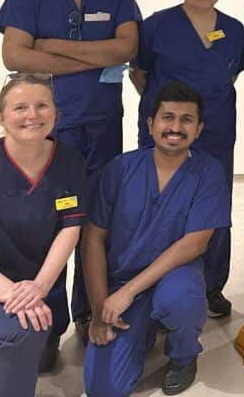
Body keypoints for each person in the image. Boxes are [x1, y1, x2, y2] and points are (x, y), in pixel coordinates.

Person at [0, 0, 141, 360]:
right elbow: (14, 56)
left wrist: (52, 47)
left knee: (96, 222)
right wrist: (96, 55)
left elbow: (127, 48)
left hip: (101, 125)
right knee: (48, 226)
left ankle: (89, 309)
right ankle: (46, 327)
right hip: (46, 130)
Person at [83, 81, 230, 397]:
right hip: (121, 280)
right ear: (150, 125)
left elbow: (195, 243)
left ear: (199, 129)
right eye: (167, 117)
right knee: (103, 389)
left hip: (174, 277)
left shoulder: (208, 172)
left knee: (182, 300)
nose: (175, 127)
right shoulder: (120, 169)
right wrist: (99, 309)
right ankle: (142, 330)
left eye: (186, 120)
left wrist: (130, 292)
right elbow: (92, 240)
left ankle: (183, 356)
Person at [131, 0, 244, 319]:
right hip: (166, 134)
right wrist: (171, 117)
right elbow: (140, 74)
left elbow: (229, 75)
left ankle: (211, 286)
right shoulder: (156, 26)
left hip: (216, 131)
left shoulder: (234, 30)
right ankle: (156, 286)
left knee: (214, 208)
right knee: (161, 207)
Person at [0, 73, 86, 396]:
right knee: (22, 332)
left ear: (56, 113)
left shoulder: (69, 161)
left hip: (33, 290)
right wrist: (13, 295)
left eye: (42, 105)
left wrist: (39, 287)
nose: (32, 115)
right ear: (1, 118)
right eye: (20, 107)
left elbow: (70, 228)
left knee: (39, 357)